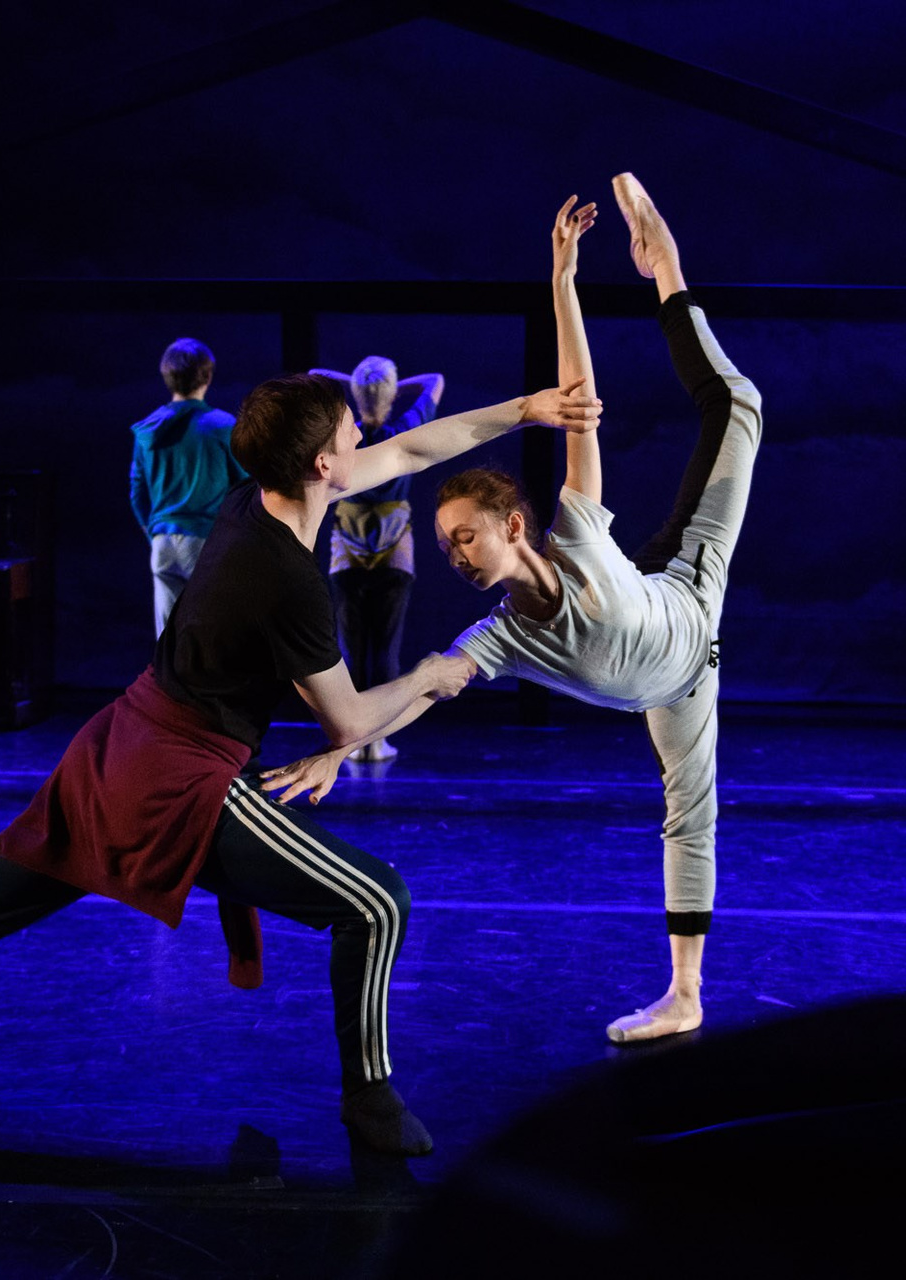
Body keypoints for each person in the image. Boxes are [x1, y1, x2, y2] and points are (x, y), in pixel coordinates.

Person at [0, 356, 599, 1155]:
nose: (362, 437)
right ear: (324, 467)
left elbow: (412, 447)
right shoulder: (289, 581)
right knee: (377, 903)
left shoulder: (254, 498)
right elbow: (347, 723)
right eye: (350, 432)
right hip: (178, 783)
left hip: (113, 749)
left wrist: (527, 409)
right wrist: (433, 673)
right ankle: (368, 1099)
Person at [264, 175, 760, 1046]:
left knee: (738, 404)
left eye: (465, 536)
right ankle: (685, 997)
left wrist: (563, 282)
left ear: (513, 526)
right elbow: (428, 684)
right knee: (689, 816)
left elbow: (579, 406)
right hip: (677, 687)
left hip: (689, 581)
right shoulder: (500, 638)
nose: (454, 554)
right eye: (444, 544)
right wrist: (342, 746)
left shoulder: (576, 524)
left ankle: (665, 268)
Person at [308, 356, 445, 761]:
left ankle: (351, 743)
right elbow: (435, 379)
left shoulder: (342, 436)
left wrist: (356, 386)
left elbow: (315, 376)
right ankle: (378, 740)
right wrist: (389, 390)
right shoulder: (404, 429)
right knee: (385, 648)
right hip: (393, 549)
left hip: (348, 550)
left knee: (350, 648)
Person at [129, 338, 248, 636]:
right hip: (206, 542)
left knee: (169, 641)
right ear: (207, 376)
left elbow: (137, 493)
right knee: (212, 636)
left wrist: (153, 531)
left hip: (162, 545)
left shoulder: (148, 429)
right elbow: (245, 486)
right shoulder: (222, 426)